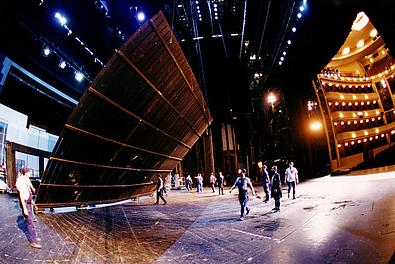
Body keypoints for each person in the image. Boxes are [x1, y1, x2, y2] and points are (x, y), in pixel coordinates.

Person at [15, 167, 42, 249]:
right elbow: (21, 196)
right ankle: (33, 241)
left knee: (32, 221)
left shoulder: (26, 179)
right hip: (26, 204)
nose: (30, 173)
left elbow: (29, 195)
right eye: (29, 172)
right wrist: (24, 208)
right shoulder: (21, 181)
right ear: (25, 172)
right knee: (30, 223)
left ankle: (34, 237)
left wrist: (33, 204)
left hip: (29, 203)